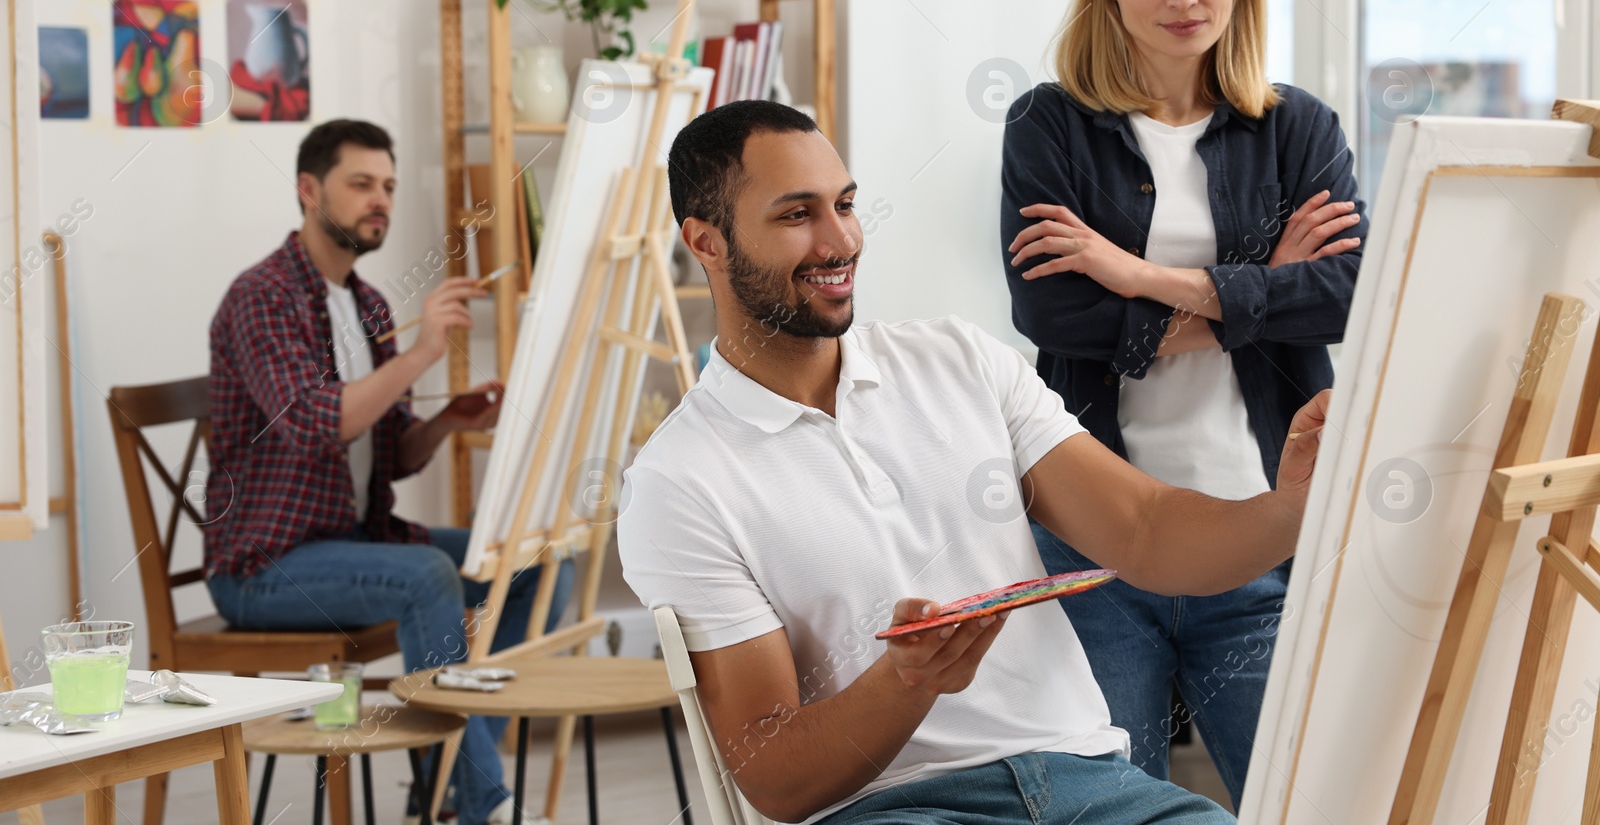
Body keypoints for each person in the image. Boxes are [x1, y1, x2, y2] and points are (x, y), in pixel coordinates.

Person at [619, 100, 1329, 825]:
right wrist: (907, 681)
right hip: (895, 808)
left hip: (1091, 786)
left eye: (846, 204)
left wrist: (1293, 505)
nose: (840, 241)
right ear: (706, 243)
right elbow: (775, 775)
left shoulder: (960, 360)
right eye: (797, 214)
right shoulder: (679, 481)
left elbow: (1146, 527)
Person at [999, 0, 1366, 807]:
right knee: (1118, 806)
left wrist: (1137, 274)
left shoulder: (1299, 130)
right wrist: (1255, 290)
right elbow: (1054, 312)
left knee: (1302, 798)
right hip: (1096, 541)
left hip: (1260, 528)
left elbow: (1345, 289)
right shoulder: (1047, 127)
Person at [205, 119, 571, 825]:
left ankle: (444, 784)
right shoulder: (262, 297)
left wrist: (448, 420)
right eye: (362, 184)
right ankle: (480, 803)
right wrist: (423, 354)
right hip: (262, 564)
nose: (382, 200)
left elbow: (395, 452)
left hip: (349, 540)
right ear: (309, 191)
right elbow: (317, 425)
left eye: (390, 187)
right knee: (427, 574)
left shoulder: (369, 306)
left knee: (529, 560)